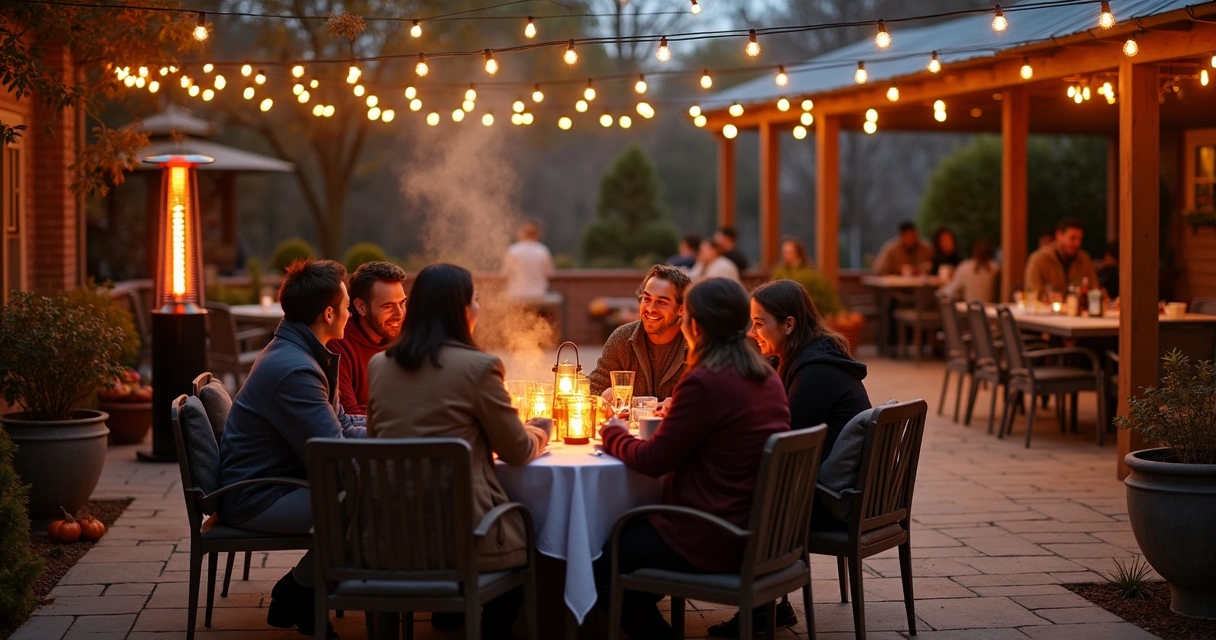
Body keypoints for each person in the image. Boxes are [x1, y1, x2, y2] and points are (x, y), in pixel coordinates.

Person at [592, 278, 791, 640]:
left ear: (694, 326)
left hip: (715, 534)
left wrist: (612, 432)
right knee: (632, 539)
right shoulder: (765, 374)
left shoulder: (705, 380)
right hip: (764, 529)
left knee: (601, 560)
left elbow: (653, 460)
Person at [366, 263, 549, 639]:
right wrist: (540, 430)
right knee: (539, 538)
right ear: (462, 310)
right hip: (461, 537)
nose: (478, 307)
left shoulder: (380, 365)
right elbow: (516, 451)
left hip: (388, 536)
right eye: (475, 299)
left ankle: (447, 615)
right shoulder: (479, 368)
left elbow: (378, 440)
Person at [697, 279, 871, 636]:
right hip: (840, 488)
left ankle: (760, 609)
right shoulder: (809, 358)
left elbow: (781, 443)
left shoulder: (815, 372)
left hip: (833, 500)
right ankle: (770, 605)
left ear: (789, 324)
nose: (752, 332)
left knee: (744, 499)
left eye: (760, 323)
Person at [217, 259, 367, 637]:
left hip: (280, 482)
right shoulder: (295, 370)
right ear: (328, 313)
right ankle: (300, 592)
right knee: (370, 506)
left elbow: (342, 425)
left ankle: (301, 591)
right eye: (347, 306)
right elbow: (334, 457)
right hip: (259, 494)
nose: (350, 313)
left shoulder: (303, 352)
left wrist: (394, 432)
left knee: (372, 493)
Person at [588, 265, 692, 402]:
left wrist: (680, 404)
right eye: (646, 299)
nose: (651, 308)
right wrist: (601, 396)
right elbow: (593, 387)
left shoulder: (696, 344)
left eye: (661, 302)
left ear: (681, 309)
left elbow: (712, 395)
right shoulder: (622, 338)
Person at [330, 260, 406, 415]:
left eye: (402, 303)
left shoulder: (403, 338)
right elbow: (349, 416)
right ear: (361, 307)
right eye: (388, 306)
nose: (399, 314)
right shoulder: (339, 347)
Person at [1024, 217, 1098, 294]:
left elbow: (1094, 289)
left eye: (1080, 239)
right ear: (1059, 235)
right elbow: (1032, 292)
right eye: (1072, 238)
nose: (1077, 244)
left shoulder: (1084, 259)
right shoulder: (1039, 259)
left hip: (1077, 301)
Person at [502, 221, 554, 300]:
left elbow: (505, 274)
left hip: (516, 293)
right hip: (538, 294)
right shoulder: (543, 251)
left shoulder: (513, 251)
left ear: (521, 233)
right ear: (537, 234)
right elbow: (549, 274)